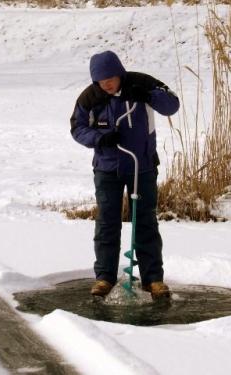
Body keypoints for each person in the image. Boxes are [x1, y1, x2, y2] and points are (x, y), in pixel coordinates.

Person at [70, 51, 180, 300]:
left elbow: (172, 106)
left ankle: (153, 280)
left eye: (111, 78)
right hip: (107, 168)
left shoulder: (142, 82)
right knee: (107, 223)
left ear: (119, 73)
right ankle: (104, 278)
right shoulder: (90, 97)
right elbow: (77, 128)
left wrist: (149, 95)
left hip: (142, 167)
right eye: (101, 80)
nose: (107, 84)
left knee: (145, 222)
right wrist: (99, 138)